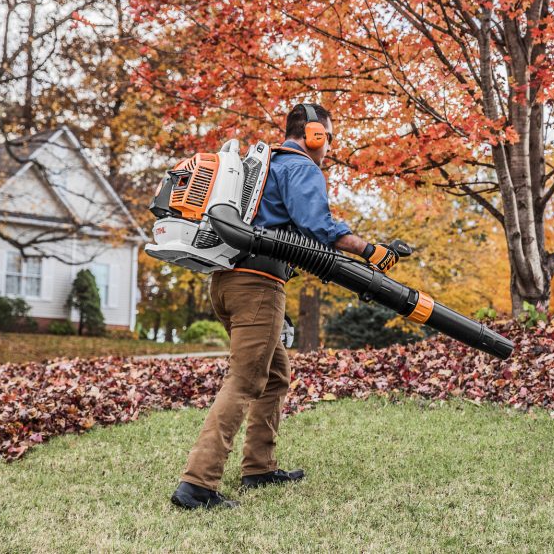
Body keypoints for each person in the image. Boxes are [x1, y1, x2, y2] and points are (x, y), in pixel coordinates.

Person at [171, 102, 402, 510]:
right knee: (245, 380)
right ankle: (197, 485)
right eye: (328, 137)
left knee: (275, 374)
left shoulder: (263, 167)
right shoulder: (299, 167)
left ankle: (259, 467)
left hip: (227, 283)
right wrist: (371, 250)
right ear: (314, 134)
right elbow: (320, 227)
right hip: (257, 285)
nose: (328, 146)